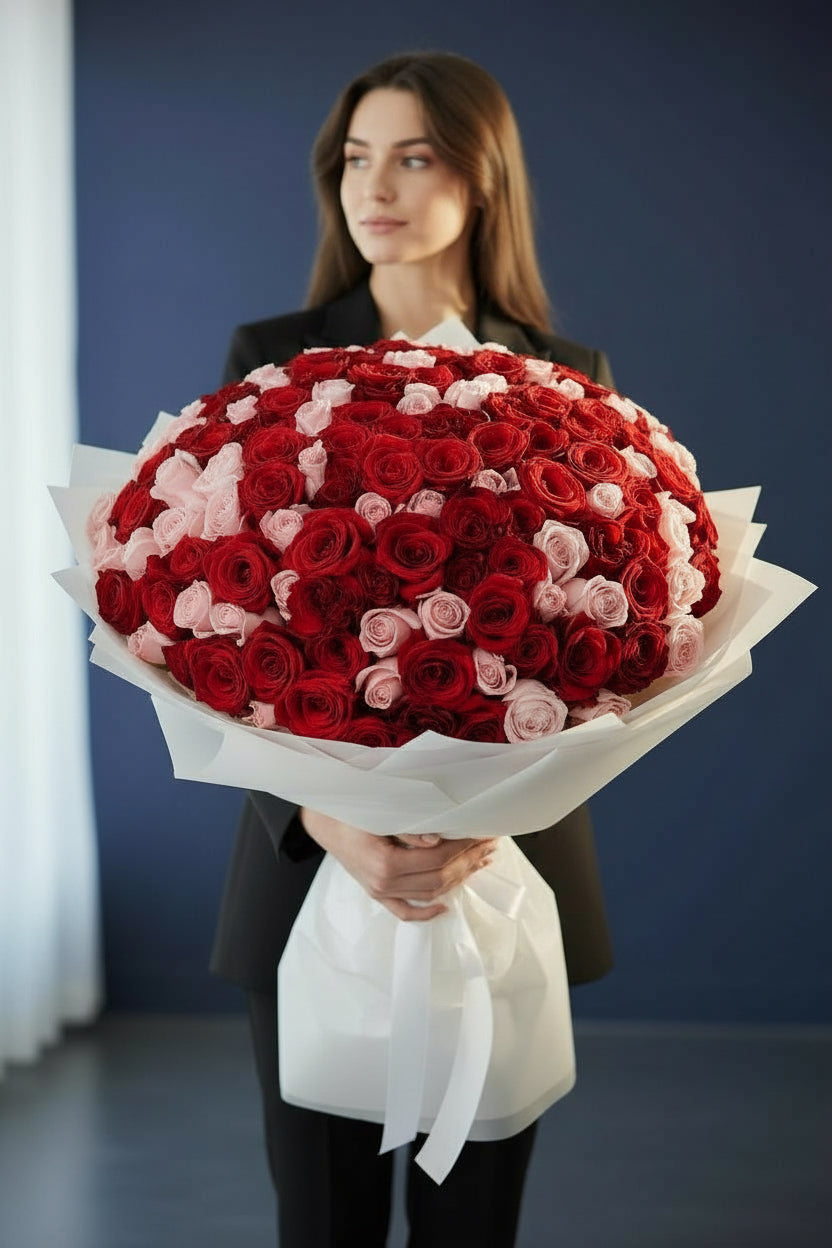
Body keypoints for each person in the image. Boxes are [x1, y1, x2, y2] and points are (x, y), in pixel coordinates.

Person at [210, 50, 615, 1248]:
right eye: (354, 160)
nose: (372, 188)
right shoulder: (270, 358)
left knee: (470, 1226)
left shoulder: (565, 376)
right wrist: (330, 818)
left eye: (414, 156)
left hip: (498, 868)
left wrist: (482, 821)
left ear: (481, 181)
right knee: (322, 1223)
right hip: (307, 866)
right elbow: (216, 633)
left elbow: (607, 648)